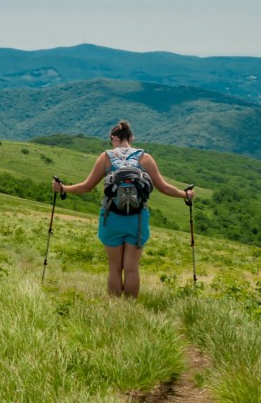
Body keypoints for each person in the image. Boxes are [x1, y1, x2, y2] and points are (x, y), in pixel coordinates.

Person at [52, 120, 194, 299]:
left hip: (111, 216)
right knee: (132, 269)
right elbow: (164, 188)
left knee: (114, 268)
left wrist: (63, 189)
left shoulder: (106, 157)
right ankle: (129, 309)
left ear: (113, 138)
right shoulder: (145, 158)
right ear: (131, 138)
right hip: (137, 219)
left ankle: (115, 308)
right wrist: (184, 194)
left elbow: (86, 186)